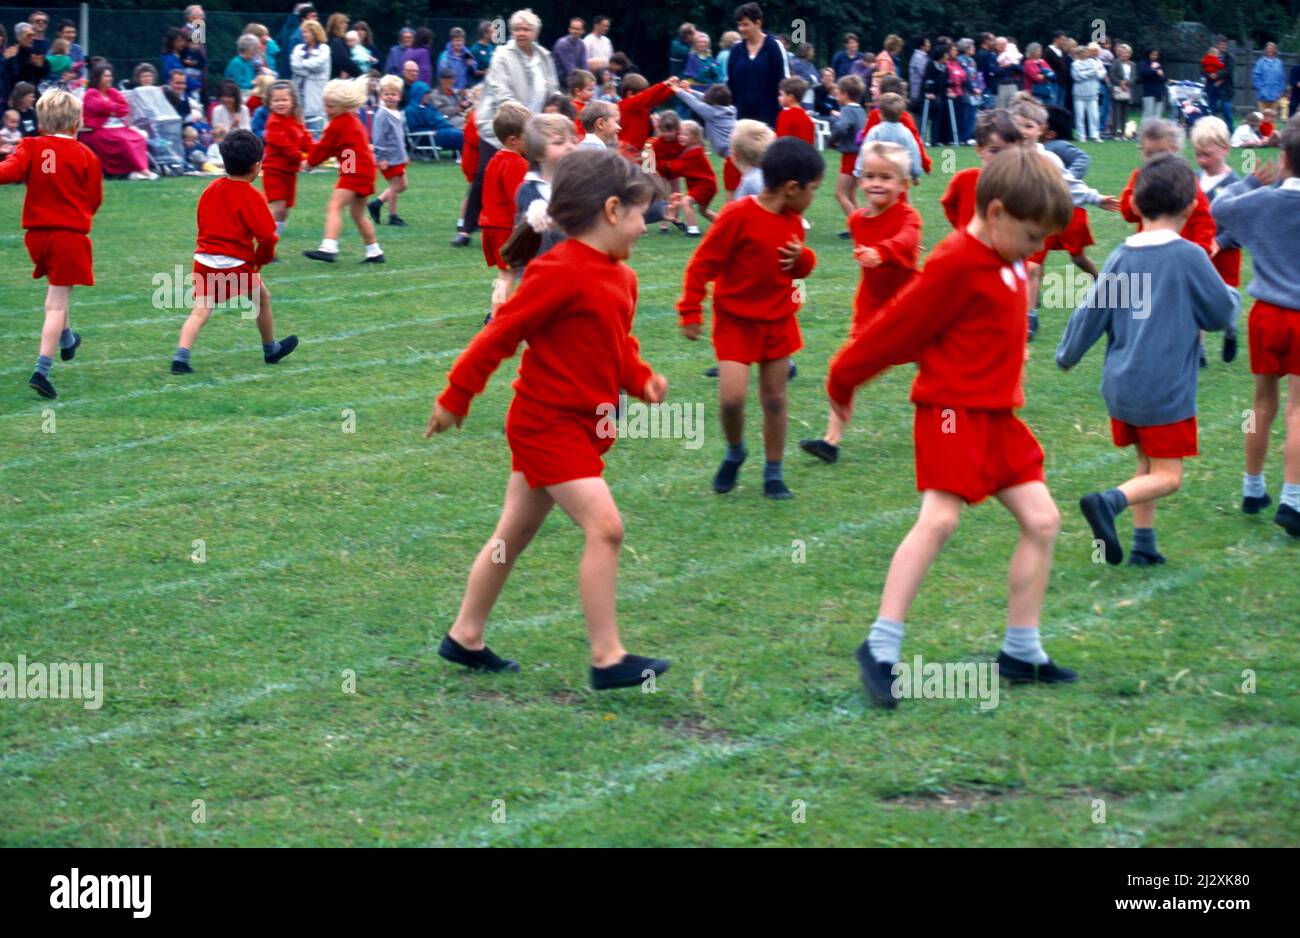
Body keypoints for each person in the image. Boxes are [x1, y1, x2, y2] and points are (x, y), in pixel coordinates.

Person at [829, 147, 1077, 707]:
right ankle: (880, 647)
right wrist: (844, 377)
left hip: (996, 415)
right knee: (939, 520)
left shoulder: (1006, 248)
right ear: (994, 213)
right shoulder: (956, 260)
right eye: (1034, 237)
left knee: (1043, 519)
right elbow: (898, 328)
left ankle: (1021, 649)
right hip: (950, 412)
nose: (1039, 250)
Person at [427, 148, 670, 689]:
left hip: (583, 423)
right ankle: (608, 658)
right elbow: (500, 333)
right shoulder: (558, 272)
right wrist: (455, 397)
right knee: (606, 528)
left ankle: (465, 635)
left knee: (510, 535)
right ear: (611, 210)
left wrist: (641, 379)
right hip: (546, 425)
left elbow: (616, 345)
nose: (644, 228)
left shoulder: (620, 278)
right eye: (640, 215)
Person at [1060, 155, 1239, 566]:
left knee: (1146, 459)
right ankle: (1109, 502)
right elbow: (1221, 314)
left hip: (1122, 387)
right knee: (1168, 476)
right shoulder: (1189, 256)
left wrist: (1067, 354)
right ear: (1192, 207)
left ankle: (1143, 544)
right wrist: (1229, 293)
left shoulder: (1121, 256)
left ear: (1136, 207)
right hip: (1164, 389)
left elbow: (1092, 313)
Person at [677, 137, 823, 499]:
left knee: (775, 399)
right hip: (736, 323)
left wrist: (802, 259)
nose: (814, 197)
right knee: (732, 400)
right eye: (814, 189)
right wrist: (691, 310)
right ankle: (735, 451)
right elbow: (702, 265)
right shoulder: (737, 215)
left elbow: (800, 269)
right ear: (792, 188)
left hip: (778, 323)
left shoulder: (793, 221)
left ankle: (773, 472)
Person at [801, 141, 921, 464]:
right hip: (871, 305)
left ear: (902, 185)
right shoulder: (856, 220)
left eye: (886, 177)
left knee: (936, 370)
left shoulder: (909, 216)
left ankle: (950, 429)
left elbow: (907, 243)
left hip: (912, 306)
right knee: (847, 366)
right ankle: (831, 441)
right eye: (869, 176)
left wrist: (881, 252)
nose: (876, 183)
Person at [1210, 126, 1300, 535]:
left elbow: (1219, 207)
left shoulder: (1261, 200)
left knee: (1260, 405)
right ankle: (1292, 499)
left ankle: (1252, 486)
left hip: (1264, 315)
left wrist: (1247, 181)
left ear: (1283, 158)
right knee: (1297, 411)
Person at [0, 89, 101, 400]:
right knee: (55, 304)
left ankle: (68, 339)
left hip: (36, 237)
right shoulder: (86, 155)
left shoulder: (31, 146)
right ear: (75, 122)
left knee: (58, 285)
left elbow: (9, 172)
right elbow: (94, 200)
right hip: (68, 236)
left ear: (41, 121)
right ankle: (42, 369)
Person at [170, 129, 296, 376]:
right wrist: (260, 260)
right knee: (262, 300)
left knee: (201, 310)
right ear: (257, 166)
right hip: (235, 263)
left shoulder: (212, 188)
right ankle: (270, 349)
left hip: (204, 260)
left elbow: (202, 221)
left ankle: (181, 356)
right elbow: (268, 236)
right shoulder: (252, 197)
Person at [456, 10, 558, 248]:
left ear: (535, 32)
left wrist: (557, 107)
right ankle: (465, 228)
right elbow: (500, 89)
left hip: (533, 128)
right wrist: (520, 114)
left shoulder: (544, 56)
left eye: (526, 29)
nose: (521, 33)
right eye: (517, 29)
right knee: (484, 175)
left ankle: (535, 222)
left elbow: (553, 88)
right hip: (499, 124)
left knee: (534, 174)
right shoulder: (502, 54)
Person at [302, 78, 382, 264]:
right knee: (357, 214)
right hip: (363, 170)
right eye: (325, 105)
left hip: (353, 170)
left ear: (344, 106)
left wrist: (310, 163)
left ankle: (329, 247)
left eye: (331, 106)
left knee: (334, 206)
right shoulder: (352, 120)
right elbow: (342, 149)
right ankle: (374, 251)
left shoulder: (338, 124)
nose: (326, 110)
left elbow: (324, 148)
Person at [478, 102, 531, 318]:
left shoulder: (495, 159)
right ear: (514, 139)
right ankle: (496, 318)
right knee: (509, 275)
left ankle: (494, 312)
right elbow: (517, 201)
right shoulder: (516, 163)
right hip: (504, 228)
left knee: (504, 273)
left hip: (490, 224)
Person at [939, 108, 1022, 230]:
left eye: (1009, 151)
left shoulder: (1024, 184)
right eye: (995, 151)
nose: (1002, 157)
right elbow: (949, 204)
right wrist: (962, 228)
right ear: (980, 150)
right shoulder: (964, 179)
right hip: (969, 245)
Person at [81, 63, 155, 179]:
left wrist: (110, 108)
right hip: (98, 130)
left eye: (110, 76)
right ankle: (144, 171)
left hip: (119, 127)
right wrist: (113, 108)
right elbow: (99, 107)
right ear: (98, 78)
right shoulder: (91, 93)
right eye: (106, 76)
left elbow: (125, 108)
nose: (110, 78)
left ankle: (134, 170)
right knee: (123, 141)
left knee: (138, 138)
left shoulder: (113, 92)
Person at [260, 80, 311, 239]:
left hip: (290, 172)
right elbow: (286, 147)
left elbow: (306, 141)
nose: (280, 103)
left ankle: (273, 240)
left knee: (285, 210)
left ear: (292, 101)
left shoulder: (296, 121)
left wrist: (317, 153)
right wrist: (303, 161)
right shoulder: (273, 123)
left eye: (284, 100)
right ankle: (264, 240)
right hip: (274, 171)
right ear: (269, 103)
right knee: (278, 207)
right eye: (276, 100)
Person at [726, 3, 788, 128]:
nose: (741, 28)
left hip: (768, 118)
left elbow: (783, 81)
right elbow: (731, 83)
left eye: (745, 24)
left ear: (758, 23)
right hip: (741, 118)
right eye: (739, 24)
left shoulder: (774, 47)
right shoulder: (736, 50)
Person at [368, 75, 410, 228]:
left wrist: (405, 155)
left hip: (399, 156)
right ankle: (393, 216)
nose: (390, 97)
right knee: (395, 186)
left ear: (399, 96)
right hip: (389, 158)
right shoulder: (381, 115)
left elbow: (400, 137)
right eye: (387, 94)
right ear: (381, 96)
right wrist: (381, 157)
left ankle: (376, 203)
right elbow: (378, 138)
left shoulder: (399, 114)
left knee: (402, 185)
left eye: (393, 94)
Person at [828, 74, 867, 228]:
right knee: (851, 194)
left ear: (845, 94)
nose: (836, 96)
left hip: (850, 156)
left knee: (840, 193)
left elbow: (843, 126)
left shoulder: (847, 110)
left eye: (837, 93)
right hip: (859, 154)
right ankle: (863, 223)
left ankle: (858, 226)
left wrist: (832, 141)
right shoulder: (861, 110)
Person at [863, 92, 922, 183]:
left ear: (880, 113)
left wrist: (859, 172)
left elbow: (865, 151)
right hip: (900, 178)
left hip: (879, 177)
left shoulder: (875, 131)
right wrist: (915, 174)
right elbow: (913, 153)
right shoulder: (906, 133)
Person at [291, 19, 330, 132]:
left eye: (306, 32)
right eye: (303, 32)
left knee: (315, 130)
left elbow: (319, 65)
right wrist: (309, 69)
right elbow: (294, 66)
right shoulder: (298, 48)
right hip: (299, 94)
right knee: (299, 129)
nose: (304, 35)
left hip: (315, 95)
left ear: (315, 33)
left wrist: (302, 64)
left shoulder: (324, 49)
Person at [1071, 43, 1106, 141]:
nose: (1088, 53)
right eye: (1085, 52)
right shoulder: (1075, 64)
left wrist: (1088, 73)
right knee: (1080, 116)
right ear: (1080, 53)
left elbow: (1100, 74)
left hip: (1092, 93)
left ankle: (1095, 135)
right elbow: (1077, 77)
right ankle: (1081, 136)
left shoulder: (1093, 62)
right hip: (1079, 94)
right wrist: (1091, 72)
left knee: (1094, 116)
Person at [1202, 36, 1234, 131]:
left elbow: (1229, 71)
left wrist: (1217, 75)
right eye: (1221, 44)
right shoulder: (1209, 55)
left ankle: (1231, 134)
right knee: (1210, 111)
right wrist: (1209, 75)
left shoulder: (1230, 58)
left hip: (1224, 87)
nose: (1223, 46)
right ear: (1217, 45)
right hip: (1211, 87)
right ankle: (1210, 133)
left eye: (1225, 44)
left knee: (1227, 111)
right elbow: (1202, 70)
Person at [552, 18, 588, 91]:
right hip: (560, 84)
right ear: (569, 29)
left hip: (573, 81)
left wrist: (587, 79)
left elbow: (584, 66)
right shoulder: (563, 43)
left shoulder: (581, 44)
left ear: (583, 31)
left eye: (578, 29)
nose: (575, 31)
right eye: (573, 28)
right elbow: (570, 70)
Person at [438, 27, 477, 91]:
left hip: (464, 91)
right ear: (451, 42)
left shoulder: (468, 54)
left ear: (464, 41)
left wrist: (470, 65)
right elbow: (442, 74)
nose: (459, 43)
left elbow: (473, 71)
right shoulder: (445, 55)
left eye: (461, 40)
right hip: (449, 91)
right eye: (456, 40)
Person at [776, 77, 814, 143]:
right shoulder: (807, 118)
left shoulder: (785, 115)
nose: (779, 98)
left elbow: (780, 140)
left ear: (790, 97)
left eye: (781, 95)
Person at [1110, 44, 1135, 138]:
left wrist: (1127, 83)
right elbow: (1112, 75)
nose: (1125, 55)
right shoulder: (1116, 62)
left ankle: (1123, 133)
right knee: (1116, 112)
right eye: (1123, 53)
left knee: (1125, 113)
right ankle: (1116, 133)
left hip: (1128, 90)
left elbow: (1134, 77)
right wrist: (1121, 83)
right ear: (1120, 54)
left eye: (1127, 53)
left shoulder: (1132, 64)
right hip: (1118, 90)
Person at [1044, 31, 1073, 109]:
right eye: (1062, 40)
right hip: (1053, 84)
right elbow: (1046, 68)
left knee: (1061, 107)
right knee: (1053, 106)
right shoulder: (1048, 52)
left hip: (1063, 84)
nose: (1064, 42)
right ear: (1056, 39)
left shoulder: (1063, 52)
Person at [1139, 48, 1166, 122]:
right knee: (1148, 114)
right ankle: (1144, 132)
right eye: (1153, 54)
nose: (1155, 56)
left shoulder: (1158, 64)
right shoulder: (1144, 63)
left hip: (1158, 93)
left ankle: (1155, 133)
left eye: (1156, 55)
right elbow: (1143, 74)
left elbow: (1164, 79)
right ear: (1149, 54)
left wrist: (1161, 75)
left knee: (1157, 115)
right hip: (1149, 93)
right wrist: (1153, 70)